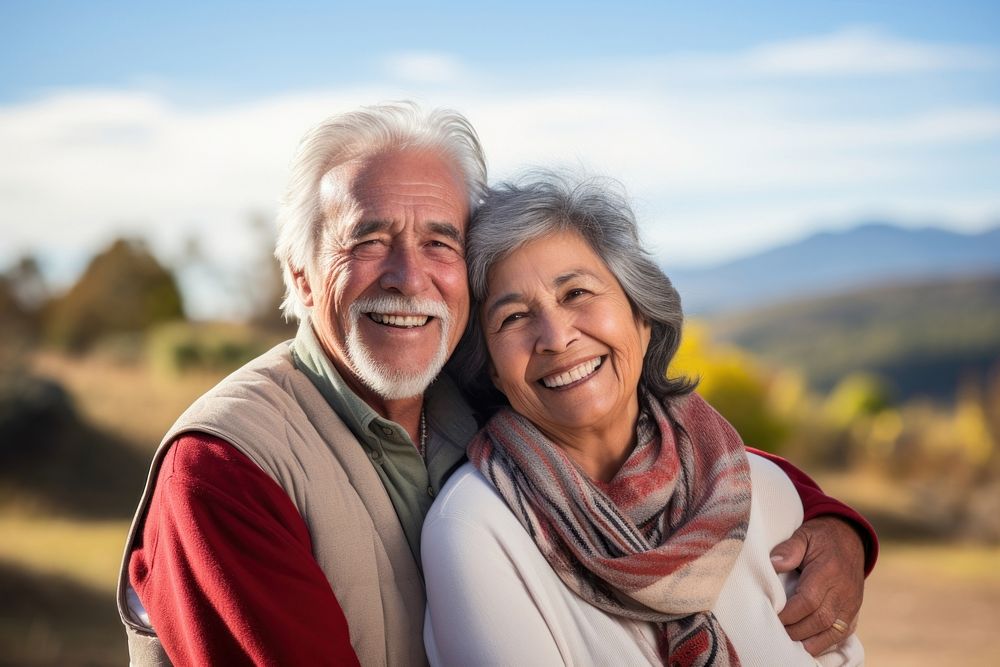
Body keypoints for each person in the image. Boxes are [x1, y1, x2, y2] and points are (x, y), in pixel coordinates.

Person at [116, 103, 875, 665]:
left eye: (439, 240)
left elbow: (667, 445)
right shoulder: (223, 471)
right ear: (301, 274)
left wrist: (831, 522)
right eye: (368, 238)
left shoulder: (474, 392)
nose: (409, 276)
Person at [422, 172, 867, 665]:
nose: (556, 336)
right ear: (490, 371)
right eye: (513, 317)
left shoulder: (759, 490)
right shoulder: (474, 528)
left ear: (641, 314)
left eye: (576, 294)